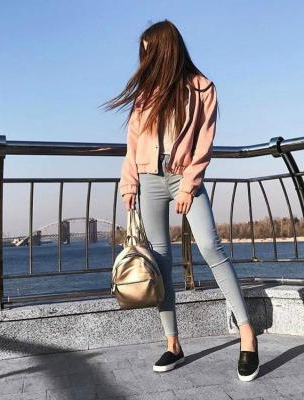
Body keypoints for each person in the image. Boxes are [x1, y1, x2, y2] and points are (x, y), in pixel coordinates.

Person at [103, 19, 259, 382]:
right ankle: (173, 344)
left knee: (211, 248)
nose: (145, 59)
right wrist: (129, 185)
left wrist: (189, 186)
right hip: (148, 181)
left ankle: (247, 335)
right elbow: (132, 146)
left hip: (182, 177)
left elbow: (204, 143)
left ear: (166, 49)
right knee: (159, 262)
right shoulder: (145, 95)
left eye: (149, 51)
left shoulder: (202, 88)